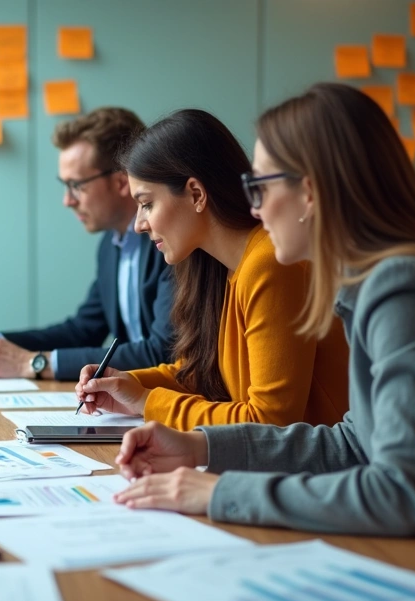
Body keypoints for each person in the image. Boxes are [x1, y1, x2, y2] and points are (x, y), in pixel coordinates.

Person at [111, 83, 415, 601]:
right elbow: (355, 443)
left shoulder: (410, 288)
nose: (255, 208)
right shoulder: (377, 282)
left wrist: (217, 492)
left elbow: (401, 494)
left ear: (309, 193)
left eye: (261, 187)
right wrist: (198, 445)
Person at [75, 109, 349, 430]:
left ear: (196, 194)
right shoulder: (226, 266)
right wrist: (127, 383)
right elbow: (204, 375)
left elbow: (269, 422)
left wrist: (147, 402)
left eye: (147, 203)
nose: (139, 224)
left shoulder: (268, 265)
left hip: (316, 472)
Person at [0, 107, 174, 381]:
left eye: (76, 186)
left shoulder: (170, 243)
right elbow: (82, 329)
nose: (67, 201)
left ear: (120, 183)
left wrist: (34, 363)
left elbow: (160, 354)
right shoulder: (111, 244)